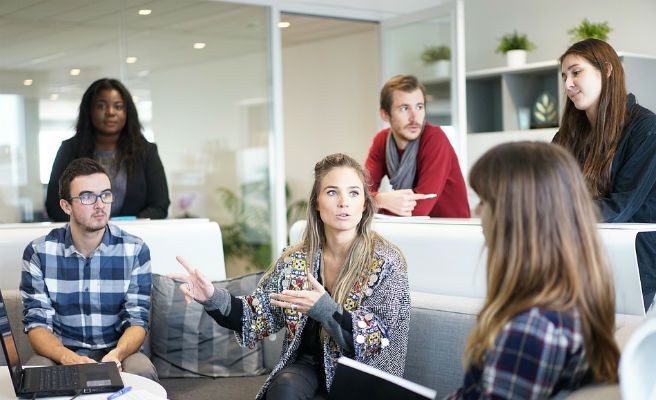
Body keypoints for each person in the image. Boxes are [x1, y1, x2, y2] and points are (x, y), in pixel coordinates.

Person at [170, 153, 410, 399]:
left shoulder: (386, 262)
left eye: (353, 193)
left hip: (362, 377)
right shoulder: (296, 260)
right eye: (331, 192)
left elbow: (375, 338)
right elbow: (256, 315)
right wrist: (211, 296)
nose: (343, 202)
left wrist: (324, 309)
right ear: (317, 202)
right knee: (284, 388)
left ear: (365, 204)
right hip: (307, 368)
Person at [449, 142, 619, 399]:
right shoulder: (568, 305)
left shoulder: (531, 330)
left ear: (516, 217)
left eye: (484, 201)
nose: (477, 211)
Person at [22, 158, 157, 381]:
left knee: (141, 371)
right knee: (34, 373)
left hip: (118, 353)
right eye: (87, 196)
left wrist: (116, 355)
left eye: (105, 194)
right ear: (66, 206)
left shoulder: (135, 250)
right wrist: (68, 358)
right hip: (61, 354)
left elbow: (137, 320)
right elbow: (37, 325)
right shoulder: (39, 252)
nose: (100, 205)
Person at [554, 38, 656, 310]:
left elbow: (621, 207)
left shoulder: (646, 128)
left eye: (576, 72)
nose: (568, 84)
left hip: (633, 264)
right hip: (578, 256)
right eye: (565, 76)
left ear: (607, 70)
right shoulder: (566, 136)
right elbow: (546, 191)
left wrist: (556, 213)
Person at [46, 78, 170, 222]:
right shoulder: (69, 150)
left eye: (118, 106)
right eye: (101, 106)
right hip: (82, 238)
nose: (110, 112)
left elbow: (160, 206)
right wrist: (93, 225)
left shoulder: (147, 152)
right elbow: (54, 206)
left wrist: (125, 227)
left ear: (127, 112)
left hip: (133, 238)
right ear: (89, 110)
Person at [365, 74, 470, 217]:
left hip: (451, 230)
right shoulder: (381, 141)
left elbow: (419, 209)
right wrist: (380, 199)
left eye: (419, 107)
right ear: (385, 115)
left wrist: (375, 202)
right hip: (413, 229)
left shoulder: (435, 138)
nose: (414, 117)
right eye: (404, 108)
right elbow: (360, 194)